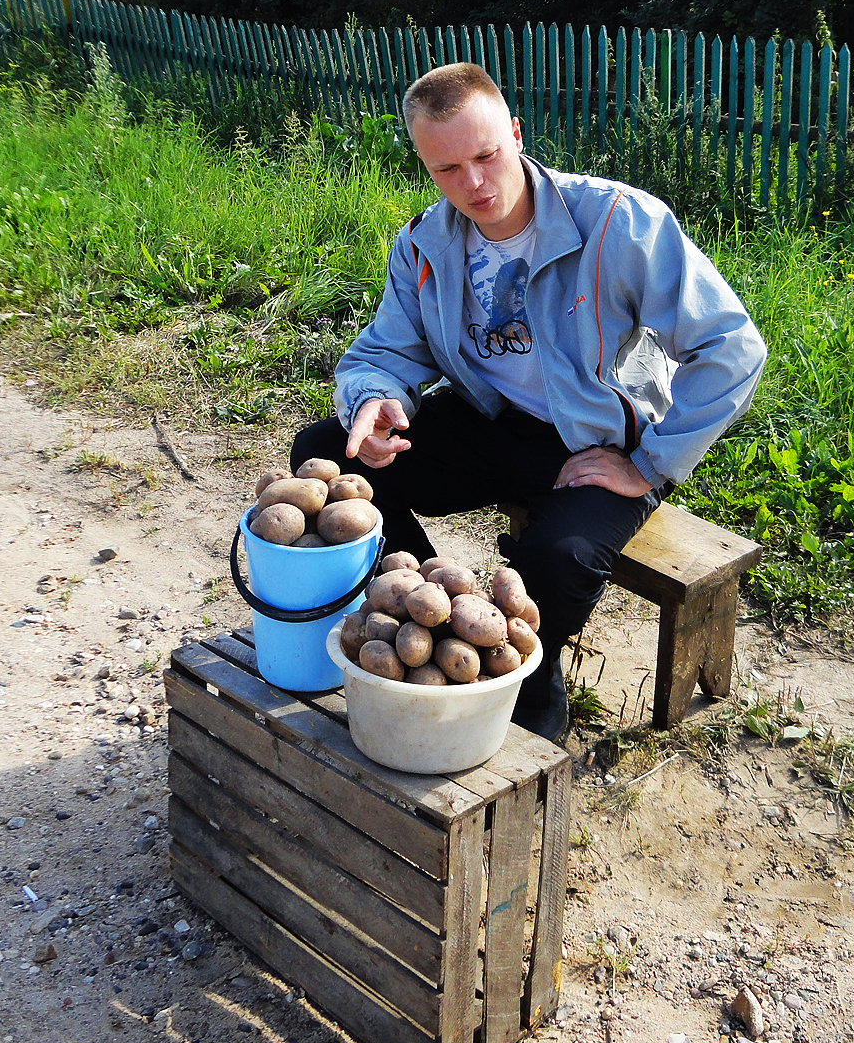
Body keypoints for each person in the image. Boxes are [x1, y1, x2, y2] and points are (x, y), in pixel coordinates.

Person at [292, 63, 766, 742]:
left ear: (515, 133)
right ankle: (426, 611)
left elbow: (730, 346)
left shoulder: (616, 221)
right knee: (324, 454)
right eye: (447, 169)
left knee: (557, 559)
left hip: (596, 441)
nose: (474, 185)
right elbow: (385, 353)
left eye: (485, 156)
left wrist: (650, 463)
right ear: (424, 164)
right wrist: (374, 401)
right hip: (489, 420)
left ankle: (529, 679)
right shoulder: (425, 241)